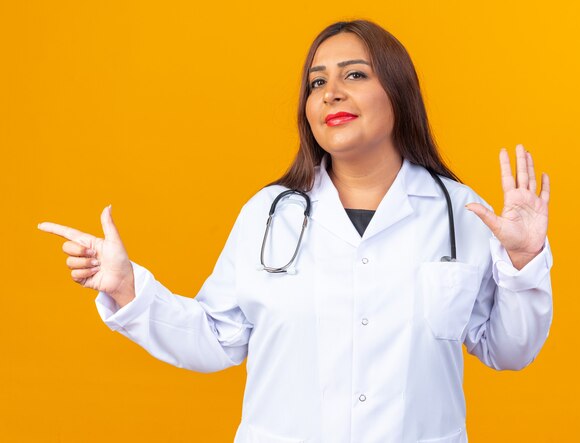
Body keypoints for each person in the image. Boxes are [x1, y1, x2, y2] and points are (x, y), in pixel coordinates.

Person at [39, 20, 552, 443]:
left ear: (399, 92)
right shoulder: (269, 213)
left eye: (354, 75)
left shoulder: (460, 211)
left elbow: (508, 349)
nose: (331, 93)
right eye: (316, 82)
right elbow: (216, 338)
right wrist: (128, 289)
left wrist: (526, 261)